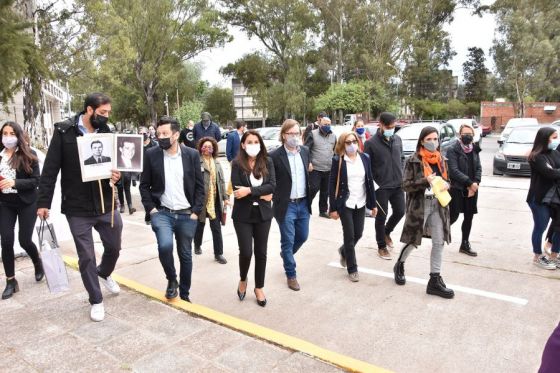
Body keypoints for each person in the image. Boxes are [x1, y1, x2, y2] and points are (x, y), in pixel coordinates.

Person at [37, 92, 122, 322]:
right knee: (86, 257)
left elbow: (117, 165)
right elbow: (50, 169)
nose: (106, 117)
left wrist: (117, 175)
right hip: (77, 208)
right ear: (89, 110)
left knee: (114, 247)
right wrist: (43, 202)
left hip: (106, 203)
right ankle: (95, 299)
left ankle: (104, 274)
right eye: (102, 113)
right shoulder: (64, 131)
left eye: (108, 113)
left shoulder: (107, 132)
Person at [140, 116, 204, 302]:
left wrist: (195, 212)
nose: (160, 137)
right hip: (162, 213)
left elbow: (200, 187)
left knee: (185, 255)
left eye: (165, 134)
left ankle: (184, 294)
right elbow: (144, 185)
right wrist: (151, 209)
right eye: (158, 133)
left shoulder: (191, 155)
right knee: (165, 246)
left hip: (187, 215)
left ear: (175, 135)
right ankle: (171, 279)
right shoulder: (152, 154)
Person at [394, 126, 454, 299]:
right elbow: (405, 185)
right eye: (429, 139)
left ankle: (434, 280)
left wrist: (447, 185)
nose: (433, 142)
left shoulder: (442, 159)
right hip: (419, 205)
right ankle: (400, 264)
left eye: (435, 139)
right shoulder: (413, 160)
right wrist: (424, 181)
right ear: (422, 141)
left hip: (439, 204)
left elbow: (448, 180)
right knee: (413, 240)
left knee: (439, 241)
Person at [231, 130, 275, 307]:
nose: (253, 145)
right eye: (249, 142)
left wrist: (249, 191)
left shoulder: (268, 161)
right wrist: (262, 194)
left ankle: (259, 287)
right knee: (247, 252)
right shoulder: (236, 163)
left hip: (263, 214)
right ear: (243, 145)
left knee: (261, 252)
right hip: (242, 215)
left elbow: (272, 186)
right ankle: (243, 279)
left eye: (256, 141)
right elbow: (236, 190)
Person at [0, 122, 43, 300]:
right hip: (5, 204)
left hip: (27, 202)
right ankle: (11, 281)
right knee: (6, 240)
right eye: (5, 133)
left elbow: (36, 181)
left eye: (11, 133)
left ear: (18, 136)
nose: (8, 137)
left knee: (25, 240)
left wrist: (15, 183)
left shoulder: (29, 155)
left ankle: (37, 262)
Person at [329, 132, 377, 282]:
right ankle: (352, 268)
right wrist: (333, 208)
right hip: (346, 204)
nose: (351, 145)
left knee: (359, 233)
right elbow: (332, 185)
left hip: (361, 202)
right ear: (343, 145)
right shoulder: (338, 161)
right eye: (348, 143)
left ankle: (344, 251)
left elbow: (369, 182)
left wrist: (373, 204)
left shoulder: (365, 158)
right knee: (349, 236)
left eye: (353, 141)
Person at [270, 119, 311, 291]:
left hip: (303, 203)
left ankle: (286, 255)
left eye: (297, 133)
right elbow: (271, 181)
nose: (294, 137)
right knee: (287, 241)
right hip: (286, 206)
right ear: (283, 135)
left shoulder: (305, 152)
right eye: (291, 134)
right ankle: (291, 274)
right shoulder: (274, 156)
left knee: (302, 236)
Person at [363, 112, 405, 260]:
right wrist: (371, 188)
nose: (391, 129)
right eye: (388, 127)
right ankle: (381, 246)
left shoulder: (398, 139)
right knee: (381, 216)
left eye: (394, 127)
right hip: (380, 187)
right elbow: (366, 167)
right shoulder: (370, 144)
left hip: (398, 185)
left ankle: (387, 232)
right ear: (380, 124)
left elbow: (401, 159)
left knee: (400, 211)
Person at [526, 127, 560, 270]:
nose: (555, 140)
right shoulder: (536, 156)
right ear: (545, 138)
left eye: (556, 137)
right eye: (553, 137)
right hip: (539, 198)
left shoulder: (556, 153)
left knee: (559, 227)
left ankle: (554, 255)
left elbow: (554, 171)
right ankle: (537, 256)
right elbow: (549, 173)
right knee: (540, 227)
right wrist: (555, 171)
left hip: (556, 197)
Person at [447, 123, 482, 257]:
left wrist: (476, 183)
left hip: (473, 188)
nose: (467, 136)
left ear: (473, 135)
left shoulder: (475, 149)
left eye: (470, 134)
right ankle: (438, 236)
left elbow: (478, 167)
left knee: (469, 217)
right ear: (459, 135)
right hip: (458, 188)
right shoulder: (453, 149)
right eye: (464, 134)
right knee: (453, 215)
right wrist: (469, 183)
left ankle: (465, 243)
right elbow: (453, 171)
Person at [193, 137, 229, 264]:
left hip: (215, 200)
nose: (207, 148)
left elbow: (222, 182)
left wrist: (225, 198)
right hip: (202, 201)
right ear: (201, 148)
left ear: (213, 149)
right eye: (204, 146)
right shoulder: (197, 162)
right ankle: (197, 245)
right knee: (200, 225)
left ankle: (218, 253)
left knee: (216, 228)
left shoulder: (217, 163)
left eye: (209, 147)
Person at [305, 116, 336, 218]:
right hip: (315, 168)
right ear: (320, 124)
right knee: (313, 188)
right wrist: (308, 162)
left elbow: (335, 151)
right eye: (324, 124)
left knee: (325, 191)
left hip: (328, 168)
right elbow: (306, 150)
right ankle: (305, 207)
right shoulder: (312, 134)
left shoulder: (333, 136)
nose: (327, 126)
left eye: (328, 124)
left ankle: (323, 211)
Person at [139, 126, 157, 225]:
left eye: (144, 133)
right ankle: (148, 214)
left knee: (153, 193)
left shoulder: (155, 145)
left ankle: (151, 213)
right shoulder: (137, 145)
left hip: (153, 172)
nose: (142, 135)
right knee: (144, 193)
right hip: (143, 173)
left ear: (148, 134)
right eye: (140, 134)